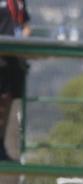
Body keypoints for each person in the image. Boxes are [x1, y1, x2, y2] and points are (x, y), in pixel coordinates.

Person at [0, 0, 30, 162]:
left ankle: (0, 147)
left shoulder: (20, 2)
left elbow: (24, 24)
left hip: (13, 60)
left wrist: (25, 35)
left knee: (7, 102)